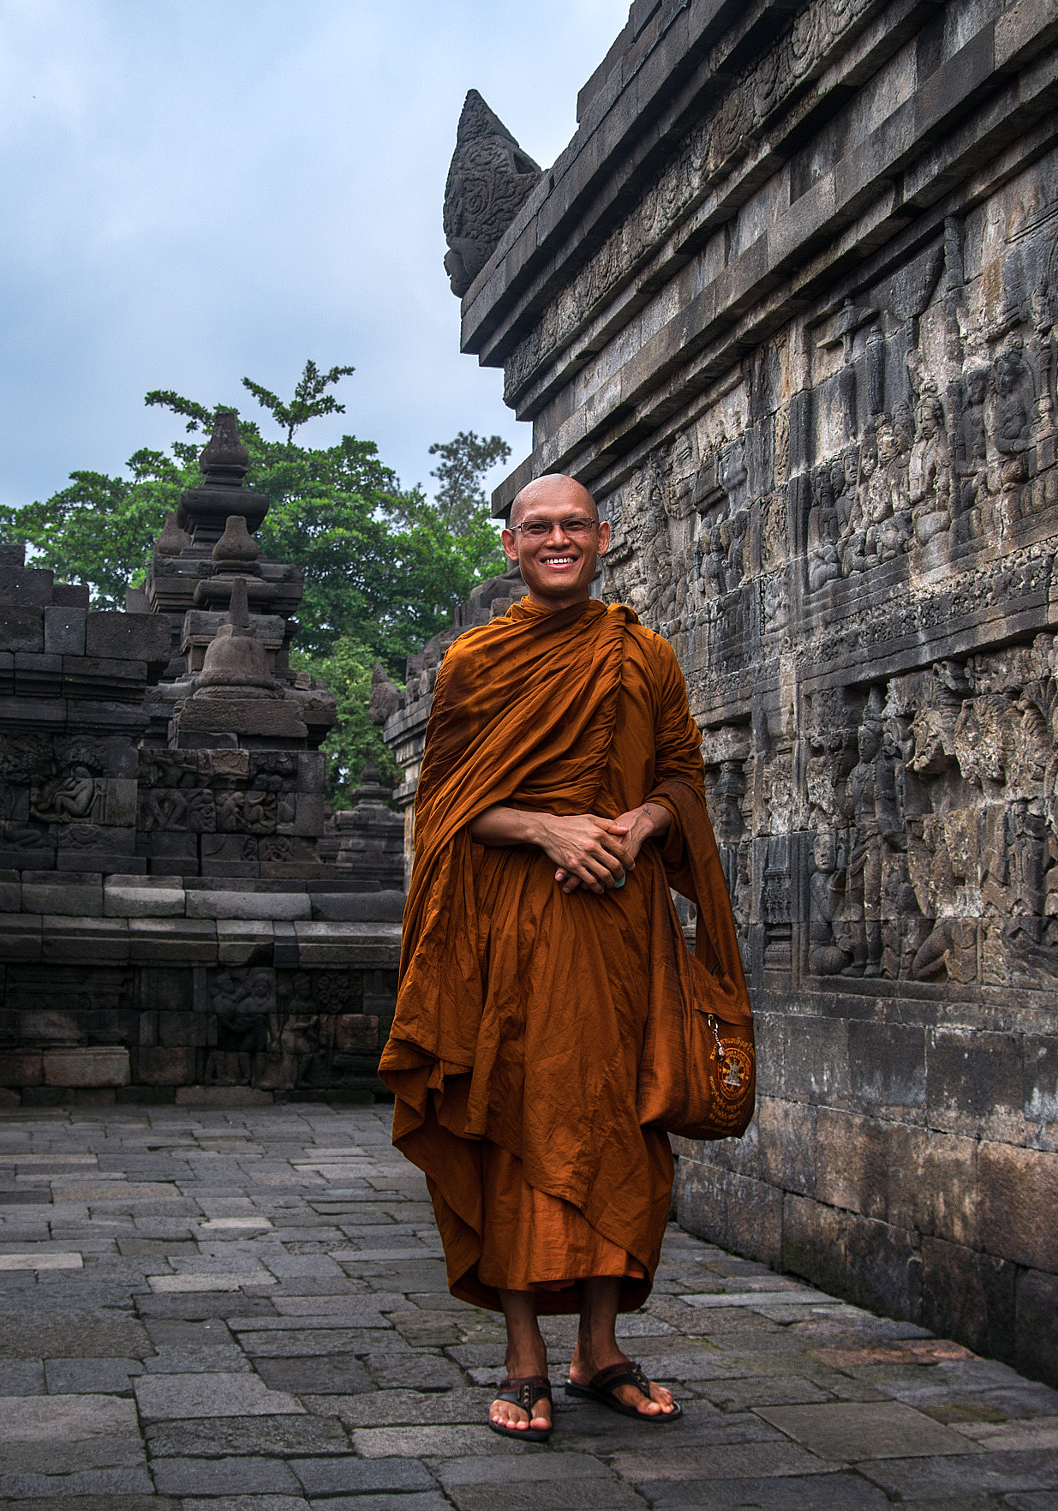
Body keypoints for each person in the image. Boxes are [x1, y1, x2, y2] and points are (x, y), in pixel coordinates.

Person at [379, 473, 744, 1441]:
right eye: (536, 526)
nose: (555, 538)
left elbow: (679, 772)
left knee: (624, 1124)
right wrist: (547, 828)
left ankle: (599, 1347)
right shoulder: (474, 661)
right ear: (509, 546)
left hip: (623, 931)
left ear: (602, 535)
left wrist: (639, 820)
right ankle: (522, 1357)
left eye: (571, 524)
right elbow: (448, 807)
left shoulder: (643, 653)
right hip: (514, 929)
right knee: (514, 1120)